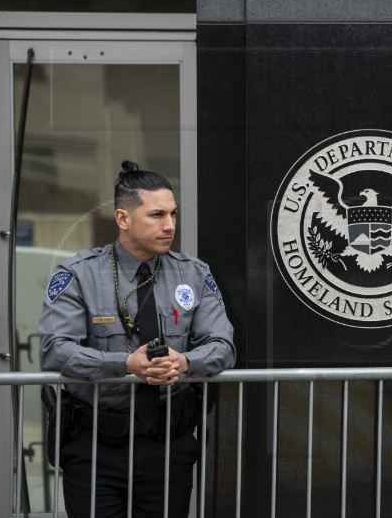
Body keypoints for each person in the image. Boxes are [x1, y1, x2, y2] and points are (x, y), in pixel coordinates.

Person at [39, 160, 236, 518]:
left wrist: (186, 361)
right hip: (97, 445)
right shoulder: (79, 274)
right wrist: (126, 364)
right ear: (123, 218)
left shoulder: (192, 274)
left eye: (173, 214)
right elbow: (55, 350)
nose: (170, 225)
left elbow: (223, 345)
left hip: (168, 445)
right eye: (157, 215)